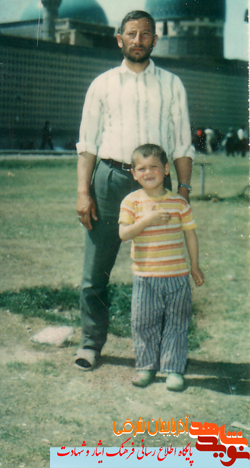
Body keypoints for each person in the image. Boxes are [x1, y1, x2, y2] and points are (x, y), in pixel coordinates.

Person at [74, 10, 195, 371]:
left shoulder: (172, 84)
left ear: (155, 40)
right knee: (96, 271)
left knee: (162, 271)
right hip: (110, 180)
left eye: (145, 34)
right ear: (119, 39)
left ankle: (161, 351)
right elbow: (87, 144)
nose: (138, 41)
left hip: (157, 187)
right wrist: (83, 192)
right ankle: (90, 344)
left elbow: (182, 144)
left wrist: (183, 190)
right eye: (131, 34)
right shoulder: (102, 84)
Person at [119, 144, 204, 391]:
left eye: (154, 167)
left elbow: (190, 235)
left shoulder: (179, 203)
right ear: (134, 173)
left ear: (166, 169)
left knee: (177, 324)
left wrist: (195, 266)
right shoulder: (131, 202)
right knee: (143, 323)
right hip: (145, 277)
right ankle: (146, 366)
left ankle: (173, 369)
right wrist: (147, 220)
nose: (148, 173)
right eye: (141, 168)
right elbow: (124, 234)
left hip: (177, 276)